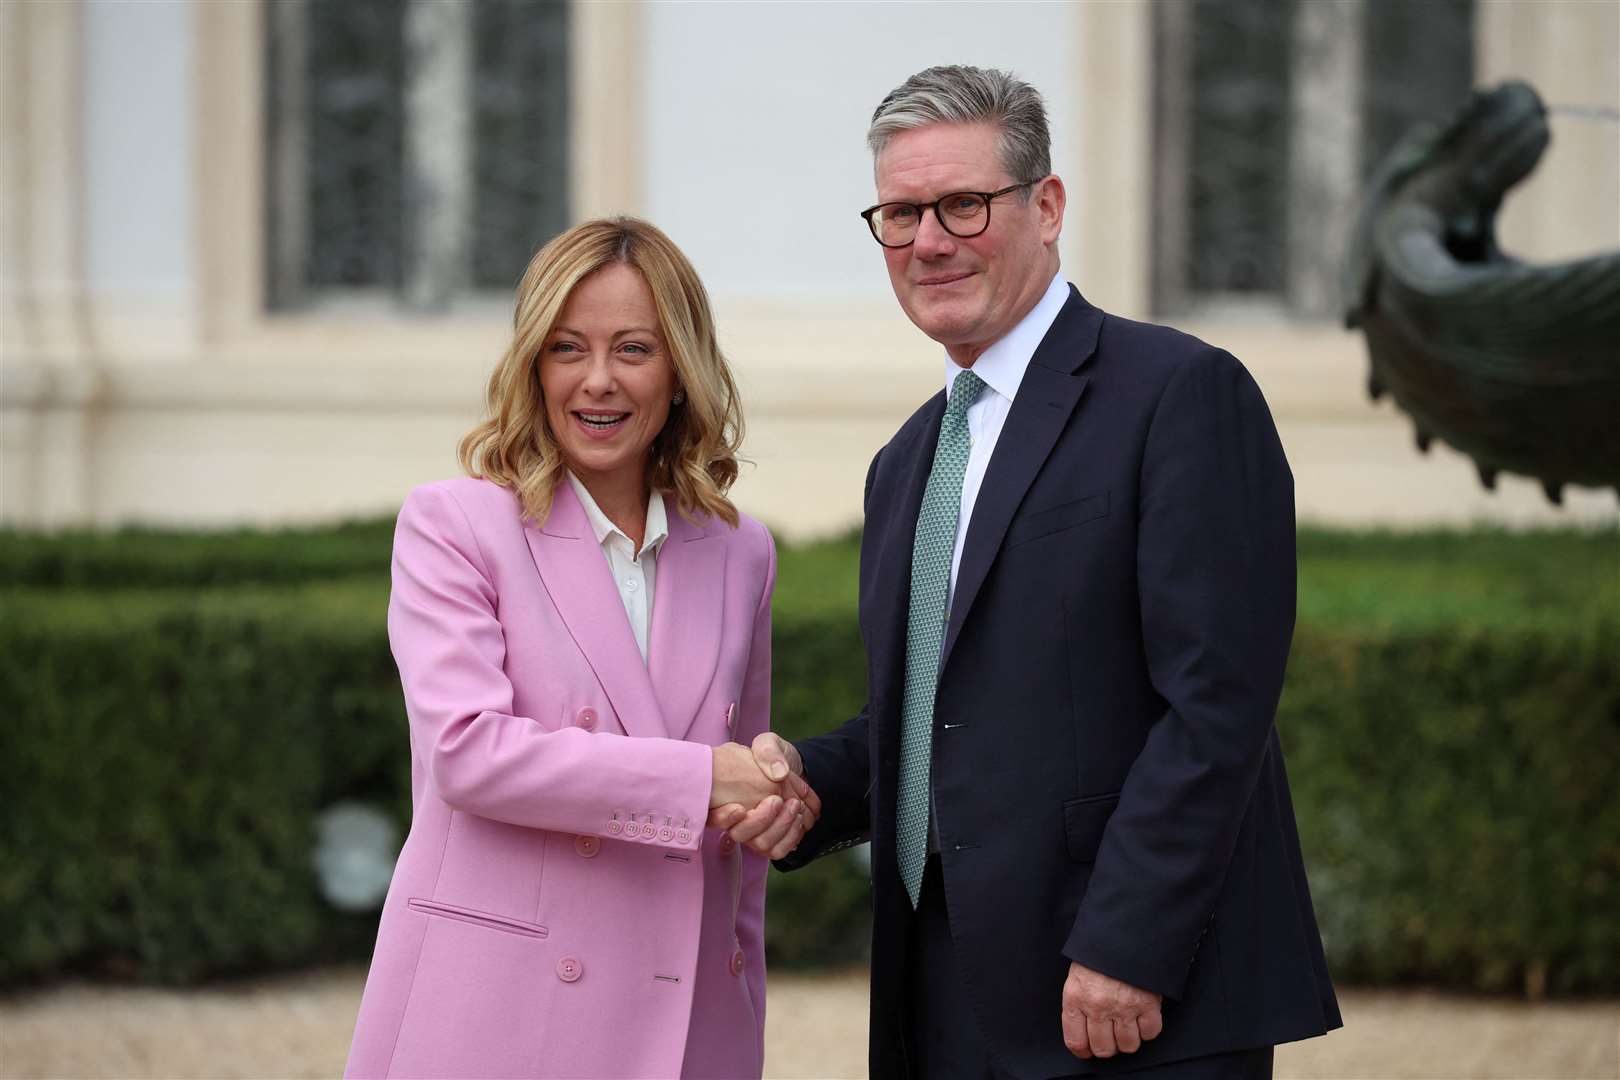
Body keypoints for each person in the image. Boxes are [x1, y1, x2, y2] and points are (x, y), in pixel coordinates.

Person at [723, 65, 1342, 1079]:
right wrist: (807, 790)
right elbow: (931, 714)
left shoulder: (1180, 394)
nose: (929, 240)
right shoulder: (908, 461)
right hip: (944, 1000)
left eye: (964, 204)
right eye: (902, 213)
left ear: (1046, 207)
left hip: (1132, 1002)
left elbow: (1216, 705)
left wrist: (1128, 944)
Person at [345, 217, 818, 1079]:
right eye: (567, 348)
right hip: (496, 1013)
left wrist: (768, 796)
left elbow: (733, 814)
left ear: (680, 370)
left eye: (633, 348)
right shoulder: (456, 525)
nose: (597, 381)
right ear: (533, 365)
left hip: (686, 1013)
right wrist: (704, 779)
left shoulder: (740, 549)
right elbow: (467, 754)